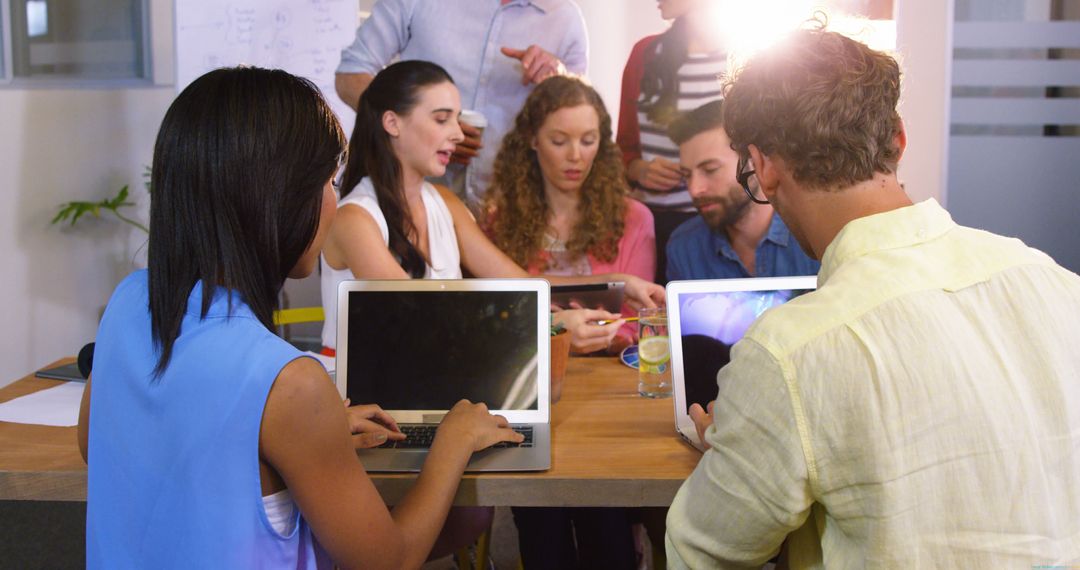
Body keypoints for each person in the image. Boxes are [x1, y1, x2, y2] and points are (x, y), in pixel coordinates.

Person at [665, 20, 1080, 568]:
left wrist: (742, 445)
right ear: (900, 138)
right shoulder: (1054, 281)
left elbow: (701, 554)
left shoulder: (789, 354)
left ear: (763, 168)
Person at [76, 67, 523, 569]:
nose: (334, 199)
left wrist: (293, 437)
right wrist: (452, 442)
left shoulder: (129, 303)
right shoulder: (290, 384)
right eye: (328, 182)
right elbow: (389, 562)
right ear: (278, 198)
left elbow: (98, 446)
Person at [321, 60, 664, 360]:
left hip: (434, 378)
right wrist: (551, 325)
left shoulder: (446, 204)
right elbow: (422, 320)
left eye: (457, 119)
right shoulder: (356, 219)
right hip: (365, 400)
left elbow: (524, 284)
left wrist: (618, 284)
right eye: (442, 119)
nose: (457, 134)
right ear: (392, 123)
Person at [334, 0, 589, 211]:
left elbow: (580, 115)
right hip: (400, 202)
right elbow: (350, 75)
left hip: (507, 212)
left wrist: (561, 79)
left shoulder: (565, 18)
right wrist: (419, 130)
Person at [486, 75, 656, 356]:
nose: (575, 155)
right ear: (532, 139)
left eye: (588, 140)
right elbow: (497, 316)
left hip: (605, 376)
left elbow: (637, 321)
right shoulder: (500, 222)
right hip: (529, 372)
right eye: (559, 141)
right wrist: (559, 336)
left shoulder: (635, 219)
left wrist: (600, 336)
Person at [617, 0, 726, 282]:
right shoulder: (646, 54)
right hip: (652, 225)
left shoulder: (746, 55)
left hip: (720, 223)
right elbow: (623, 149)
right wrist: (639, 169)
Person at [666, 99, 819, 281]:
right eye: (686, 175)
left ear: (757, 161)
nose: (694, 189)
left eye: (710, 170)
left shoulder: (816, 234)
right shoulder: (684, 246)